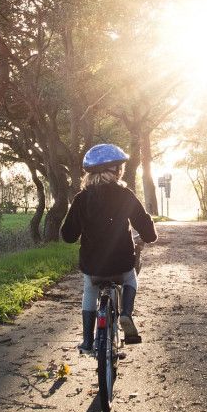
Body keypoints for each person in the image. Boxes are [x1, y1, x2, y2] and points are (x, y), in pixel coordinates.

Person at [61, 143, 157, 353]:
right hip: (121, 264)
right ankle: (126, 315)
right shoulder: (125, 195)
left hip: (92, 266)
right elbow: (147, 231)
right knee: (131, 279)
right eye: (120, 167)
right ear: (115, 170)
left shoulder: (81, 199)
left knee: (90, 289)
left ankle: (87, 341)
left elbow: (67, 236)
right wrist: (149, 233)